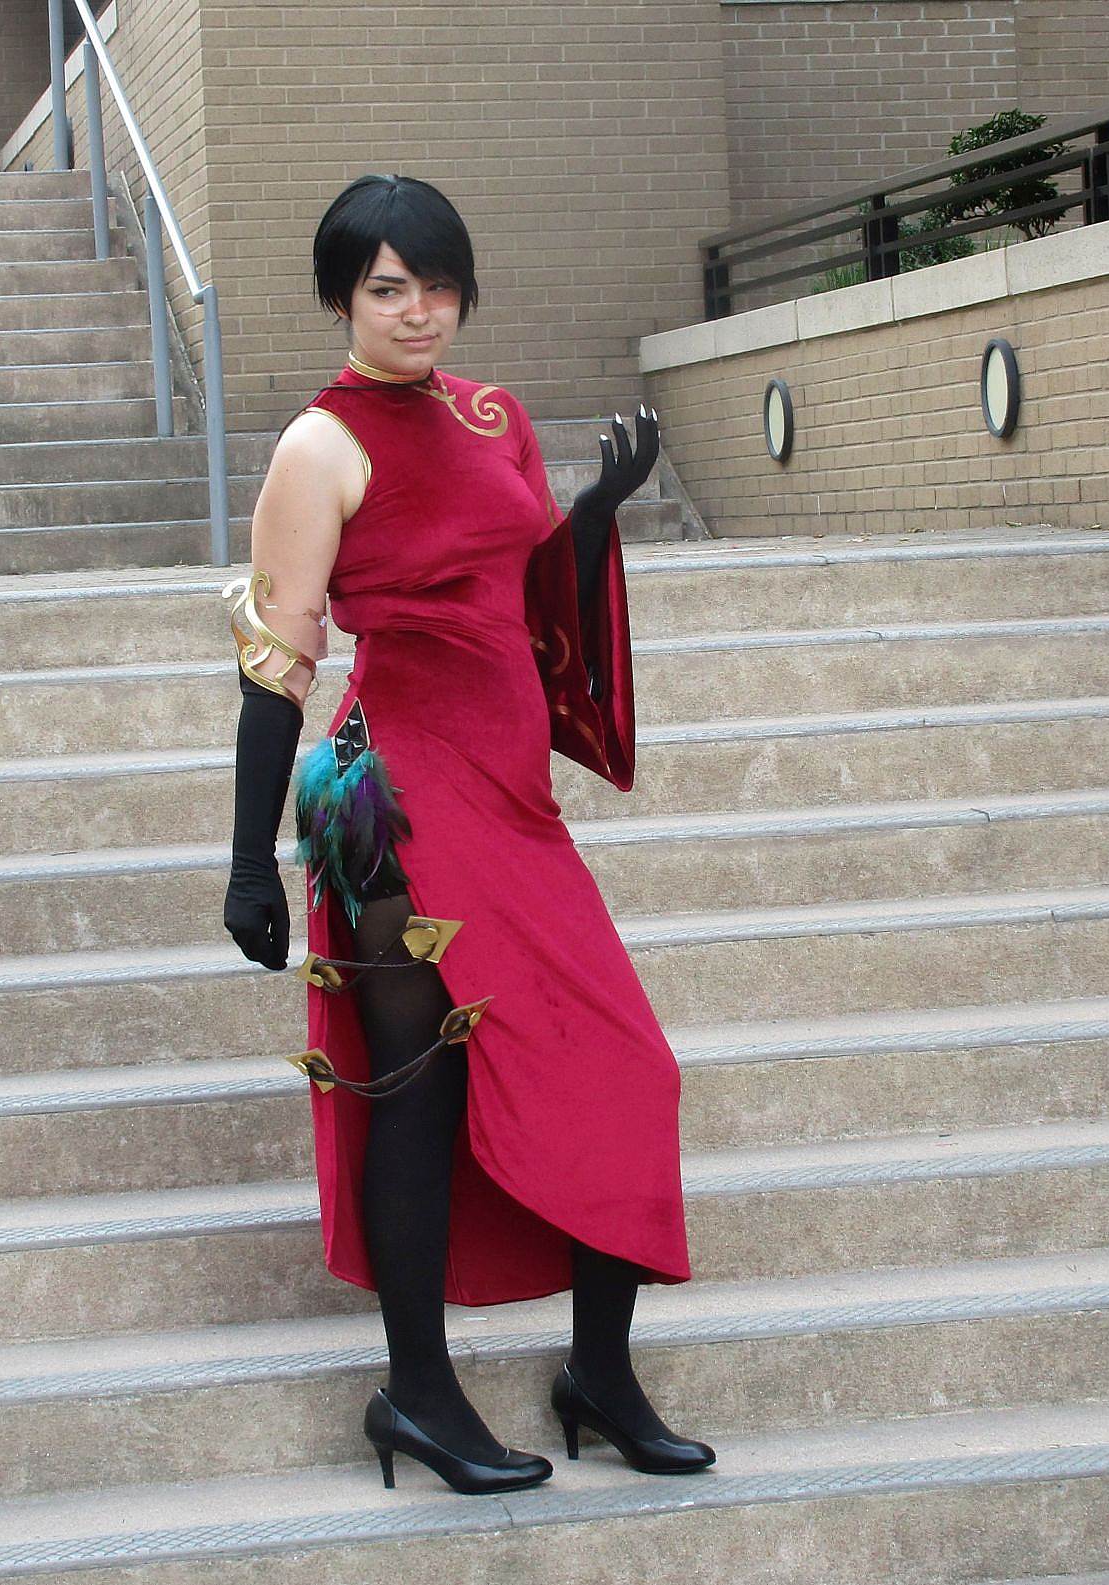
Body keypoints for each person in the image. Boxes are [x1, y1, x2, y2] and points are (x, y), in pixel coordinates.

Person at [222, 172, 715, 1496]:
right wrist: (250, 861)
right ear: (342, 297)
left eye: (439, 286)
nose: (419, 311)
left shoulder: (493, 416)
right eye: (389, 288)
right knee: (417, 1093)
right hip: (385, 796)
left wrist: (594, 518)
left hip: (509, 801)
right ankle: (421, 1396)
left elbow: (532, 595)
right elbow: (275, 666)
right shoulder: (318, 447)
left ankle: (598, 1375)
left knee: (626, 1067)